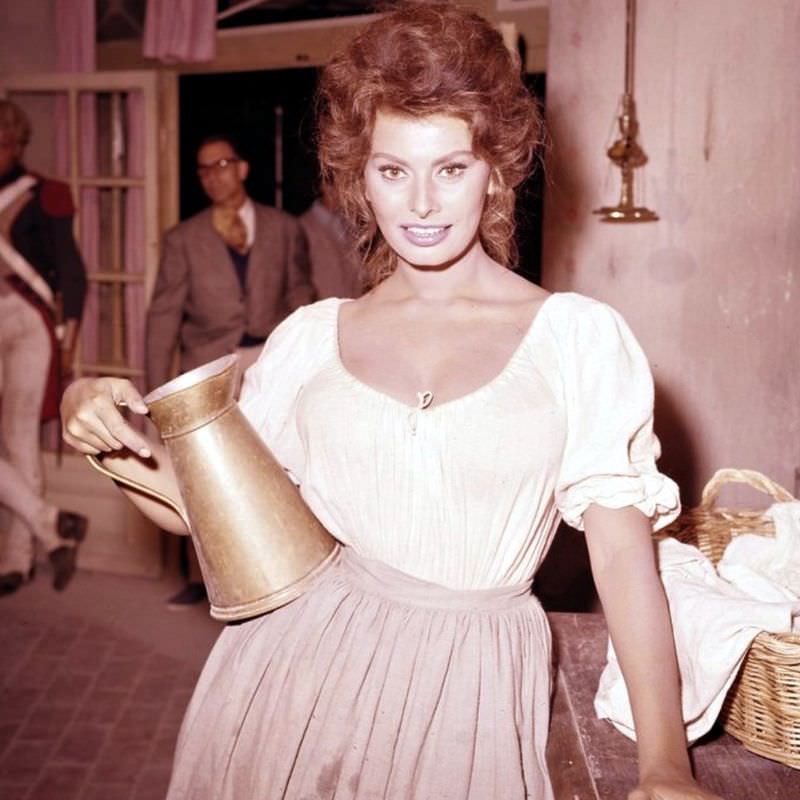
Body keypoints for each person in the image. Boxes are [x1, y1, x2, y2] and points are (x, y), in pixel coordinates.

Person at [61, 3, 723, 798]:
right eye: (392, 170)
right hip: (289, 679)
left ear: (496, 170)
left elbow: (622, 558)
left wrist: (664, 764)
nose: (421, 204)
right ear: (359, 178)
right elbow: (207, 510)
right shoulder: (311, 339)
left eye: (451, 168)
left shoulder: (577, 340)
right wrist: (103, 431)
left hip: (470, 688)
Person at [146, 133, 316, 608]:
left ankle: (283, 567)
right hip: (208, 367)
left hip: (268, 358)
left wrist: (306, 359)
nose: (212, 176)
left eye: (221, 165)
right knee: (204, 474)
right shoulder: (183, 239)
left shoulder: (284, 228)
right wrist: (156, 395)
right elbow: (163, 317)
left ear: (242, 169)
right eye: (203, 169)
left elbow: (302, 295)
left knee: (274, 464)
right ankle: (200, 579)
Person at [0, 99, 87, 597]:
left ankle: (16, 559)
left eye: (4, 142)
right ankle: (52, 526)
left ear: (19, 144)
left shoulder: (42, 194)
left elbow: (70, 270)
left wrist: (68, 340)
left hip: (27, 323)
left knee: (18, 438)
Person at [299, 183, 362, 299]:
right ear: (325, 187)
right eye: (340, 189)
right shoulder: (303, 227)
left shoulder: (349, 226)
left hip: (354, 303)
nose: (345, 195)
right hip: (323, 305)